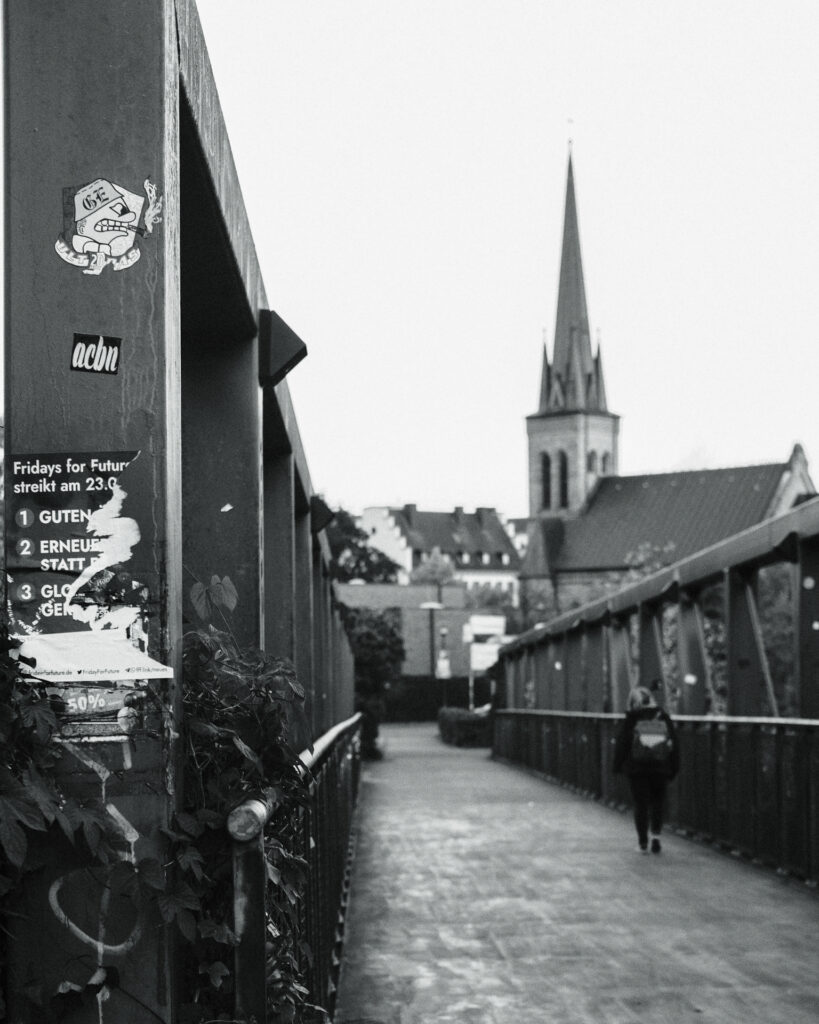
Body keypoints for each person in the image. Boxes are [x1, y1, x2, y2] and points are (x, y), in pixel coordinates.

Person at [613, 683, 679, 854]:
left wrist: (617, 766)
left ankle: (643, 843)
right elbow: (674, 743)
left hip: (637, 769)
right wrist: (674, 767)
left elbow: (623, 744)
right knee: (657, 802)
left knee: (640, 804)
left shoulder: (632, 718)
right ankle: (656, 837)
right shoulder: (662, 716)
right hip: (660, 767)